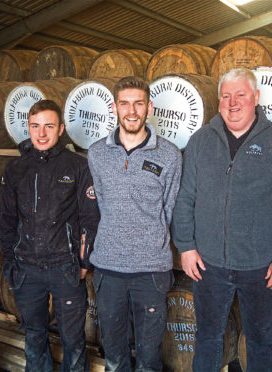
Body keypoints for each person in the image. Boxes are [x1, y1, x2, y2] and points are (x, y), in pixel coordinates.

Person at [171, 67, 272, 372]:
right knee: (207, 337)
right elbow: (185, 198)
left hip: (261, 266)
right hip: (208, 264)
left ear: (256, 98)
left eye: (240, 95)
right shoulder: (200, 141)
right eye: (225, 96)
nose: (233, 103)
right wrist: (187, 247)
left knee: (261, 340)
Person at [87, 76, 182, 372]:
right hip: (108, 267)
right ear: (115, 107)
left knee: (150, 358)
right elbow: (100, 203)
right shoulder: (96, 153)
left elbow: (169, 208)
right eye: (125, 103)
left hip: (151, 270)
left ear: (149, 107)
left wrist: (149, 239)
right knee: (114, 356)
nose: (131, 110)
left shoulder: (169, 154)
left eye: (138, 103)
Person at [0, 100, 99, 372]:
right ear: (28, 128)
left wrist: (83, 262)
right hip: (26, 267)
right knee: (34, 333)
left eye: (49, 126)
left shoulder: (78, 166)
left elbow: (90, 219)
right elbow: (7, 221)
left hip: (64, 267)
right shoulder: (15, 169)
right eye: (35, 126)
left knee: (73, 338)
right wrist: (10, 262)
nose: (41, 133)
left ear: (61, 129)